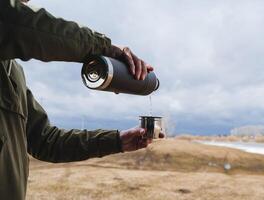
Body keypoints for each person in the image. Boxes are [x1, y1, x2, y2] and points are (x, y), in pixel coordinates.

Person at [0, 0, 163, 199]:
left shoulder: (13, 70)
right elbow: (20, 22)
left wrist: (117, 141)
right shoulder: (10, 20)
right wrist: (107, 49)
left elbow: (45, 141)